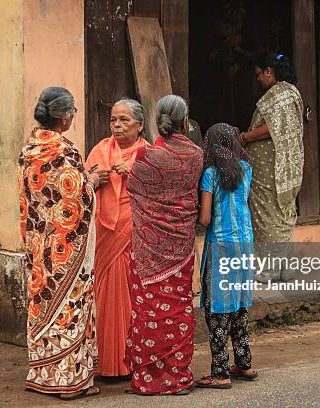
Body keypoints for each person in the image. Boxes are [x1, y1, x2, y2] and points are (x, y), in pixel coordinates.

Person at [19, 87, 104, 400]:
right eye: (73, 111)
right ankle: (69, 381)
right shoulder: (64, 151)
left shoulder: (29, 148)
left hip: (40, 245)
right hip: (66, 249)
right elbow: (77, 199)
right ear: (65, 115)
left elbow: (35, 198)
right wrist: (93, 182)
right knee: (71, 308)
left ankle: (41, 373)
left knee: (43, 306)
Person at [125, 95, 203, 395]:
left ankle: (146, 379)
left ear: (158, 121)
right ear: (185, 121)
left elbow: (134, 192)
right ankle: (177, 377)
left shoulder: (147, 157)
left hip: (147, 251)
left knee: (147, 312)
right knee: (179, 308)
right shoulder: (197, 155)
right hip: (181, 248)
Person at [84, 99, 150, 378]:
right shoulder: (101, 149)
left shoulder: (148, 153)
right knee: (105, 295)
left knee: (132, 296)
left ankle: (130, 361)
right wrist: (92, 180)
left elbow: (159, 191)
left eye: (124, 120)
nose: (117, 126)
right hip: (105, 233)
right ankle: (107, 361)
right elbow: (81, 181)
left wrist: (133, 173)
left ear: (140, 125)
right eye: (113, 120)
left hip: (134, 235)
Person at [196, 123, 258, 389]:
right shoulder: (246, 170)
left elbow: (206, 218)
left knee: (218, 311)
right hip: (245, 245)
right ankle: (244, 364)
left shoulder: (210, 174)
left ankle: (220, 373)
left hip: (221, 246)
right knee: (239, 307)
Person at [239, 51, 304, 282]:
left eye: (259, 74)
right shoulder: (291, 93)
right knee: (282, 215)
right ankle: (285, 270)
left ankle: (268, 270)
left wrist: (246, 137)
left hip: (270, 168)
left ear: (269, 71)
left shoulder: (279, 94)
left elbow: (271, 128)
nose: (258, 79)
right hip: (284, 167)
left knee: (266, 217)